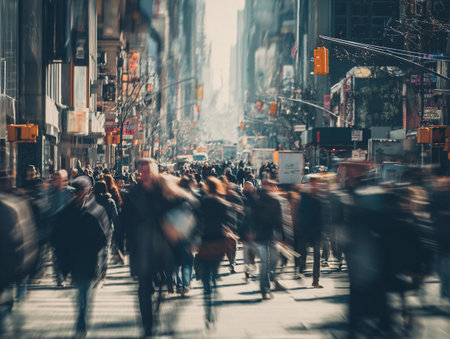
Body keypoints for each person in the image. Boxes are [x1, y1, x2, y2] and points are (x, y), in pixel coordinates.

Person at [121, 158, 195, 337]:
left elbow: (186, 210)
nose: (144, 175)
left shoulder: (165, 191)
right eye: (142, 171)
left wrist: (186, 235)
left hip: (164, 246)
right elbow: (124, 219)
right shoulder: (133, 194)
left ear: (155, 172)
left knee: (162, 283)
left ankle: (159, 305)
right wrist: (121, 242)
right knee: (144, 288)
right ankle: (148, 324)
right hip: (141, 247)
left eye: (147, 171)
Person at [52, 176, 108, 338]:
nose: (77, 195)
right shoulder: (66, 212)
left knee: (83, 294)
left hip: (88, 260)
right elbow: (56, 236)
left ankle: (81, 323)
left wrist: (97, 255)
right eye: (75, 192)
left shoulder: (94, 211)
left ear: (88, 192)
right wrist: (61, 256)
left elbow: (102, 237)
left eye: (80, 191)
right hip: (73, 260)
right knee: (80, 293)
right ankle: (81, 320)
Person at [196, 177, 232, 328]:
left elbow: (195, 222)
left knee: (205, 279)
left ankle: (208, 307)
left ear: (206, 188)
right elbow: (229, 223)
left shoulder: (201, 203)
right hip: (218, 244)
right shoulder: (223, 204)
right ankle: (215, 292)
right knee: (214, 273)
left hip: (204, 243)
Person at [252, 179, 284, 299]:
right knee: (264, 263)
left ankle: (271, 277)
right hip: (261, 236)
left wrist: (283, 236)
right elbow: (252, 218)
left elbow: (280, 220)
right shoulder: (257, 200)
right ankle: (264, 290)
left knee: (274, 260)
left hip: (271, 236)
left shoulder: (275, 201)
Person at [93, 181, 117, 283]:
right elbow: (115, 216)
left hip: (93, 227)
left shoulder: (91, 200)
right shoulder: (110, 201)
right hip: (107, 228)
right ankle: (103, 271)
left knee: (94, 249)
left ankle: (95, 269)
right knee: (105, 249)